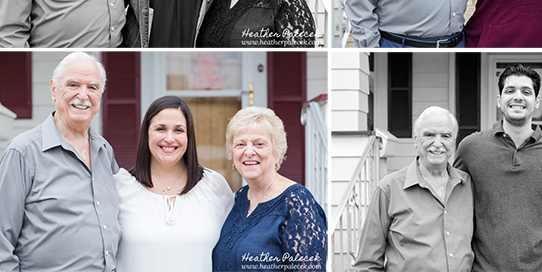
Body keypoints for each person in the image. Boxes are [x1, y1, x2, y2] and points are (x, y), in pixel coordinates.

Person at [0, 52, 121, 272]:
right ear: (54, 89)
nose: (83, 96)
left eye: (92, 87)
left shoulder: (104, 151)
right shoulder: (23, 152)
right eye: (73, 85)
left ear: (101, 94)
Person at [454, 64, 542, 271]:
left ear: (537, 101)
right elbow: (452, 200)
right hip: (483, 267)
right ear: (499, 100)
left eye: (526, 92)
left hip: (541, 267)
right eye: (510, 91)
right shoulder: (471, 148)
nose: (518, 97)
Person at [114, 96, 234, 271]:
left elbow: (232, 253)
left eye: (178, 130)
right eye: (161, 129)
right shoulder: (119, 185)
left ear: (189, 136)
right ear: (146, 133)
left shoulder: (215, 186)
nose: (169, 139)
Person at [354, 106, 473, 271]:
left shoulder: (469, 186)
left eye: (446, 136)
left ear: (454, 142)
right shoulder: (388, 189)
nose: (437, 144)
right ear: (416, 139)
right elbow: (367, 264)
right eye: (429, 135)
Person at [212, 107, 327, 272]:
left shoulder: (297, 202)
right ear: (233, 153)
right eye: (240, 144)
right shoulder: (240, 199)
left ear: (277, 153)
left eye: (259, 144)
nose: (249, 151)